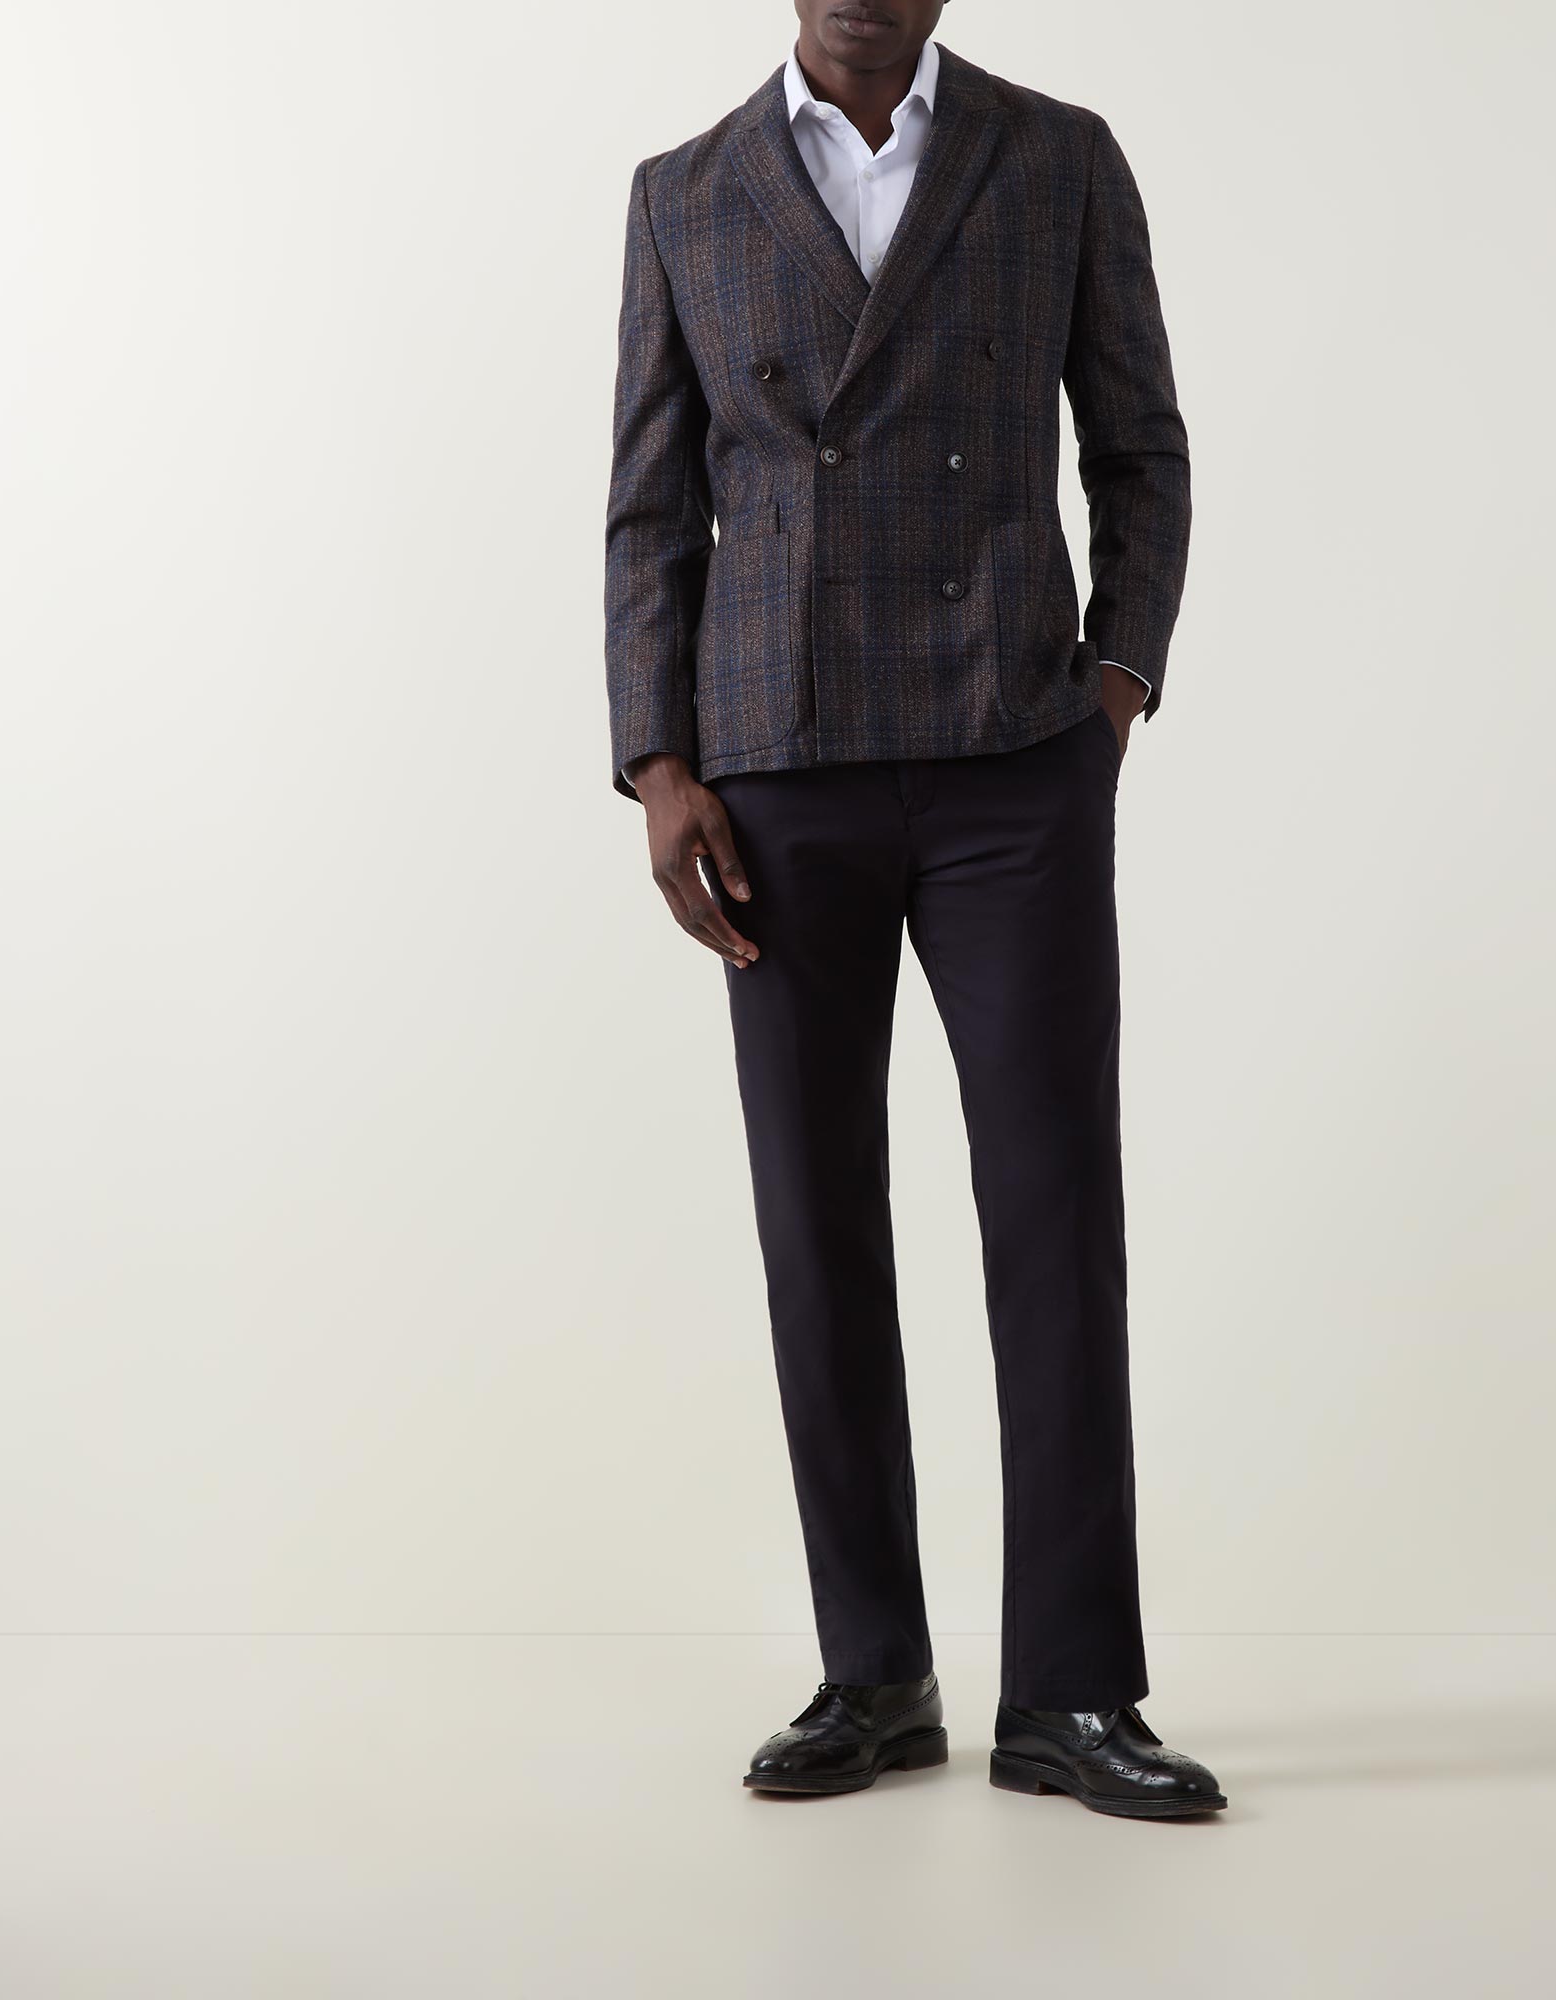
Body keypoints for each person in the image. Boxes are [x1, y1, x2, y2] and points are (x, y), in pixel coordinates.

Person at [604, 0, 1225, 1819]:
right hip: (775, 772)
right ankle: (874, 1672)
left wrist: (1113, 689)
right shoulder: (684, 194)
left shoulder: (1059, 160)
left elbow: (1142, 449)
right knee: (818, 1226)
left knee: (1054, 1214)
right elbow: (652, 511)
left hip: (1011, 752)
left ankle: (1072, 1694)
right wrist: (658, 762)